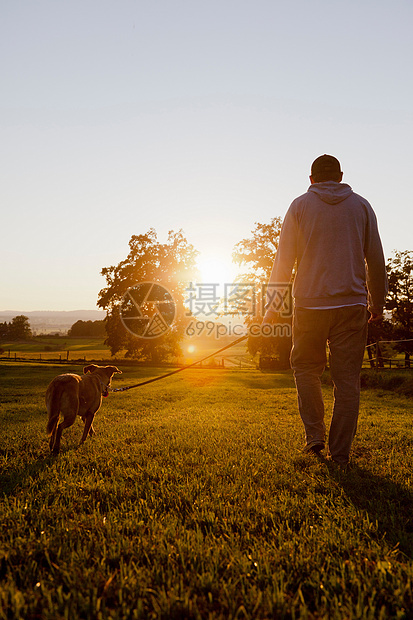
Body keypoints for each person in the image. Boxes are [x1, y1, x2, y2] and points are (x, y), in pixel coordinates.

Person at [257, 154, 387, 467]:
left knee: (305, 368)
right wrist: (378, 303)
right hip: (352, 306)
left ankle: (314, 436)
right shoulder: (362, 206)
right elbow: (376, 259)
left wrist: (272, 310)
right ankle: (340, 453)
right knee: (346, 383)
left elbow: (283, 261)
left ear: (311, 179)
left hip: (309, 305)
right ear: (340, 176)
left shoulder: (300, 206)